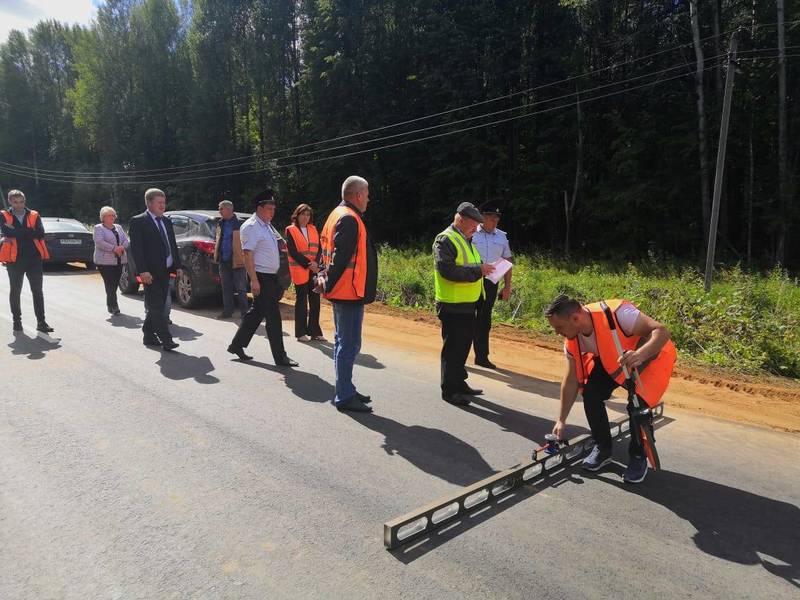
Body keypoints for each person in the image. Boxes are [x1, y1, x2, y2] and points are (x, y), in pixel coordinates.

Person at [544, 294, 676, 483]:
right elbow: (571, 379)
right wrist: (561, 420)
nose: (557, 332)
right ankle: (603, 448)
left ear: (575, 318)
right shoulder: (572, 339)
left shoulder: (619, 314)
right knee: (591, 394)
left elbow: (661, 332)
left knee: (637, 408)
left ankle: (638, 457)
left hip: (648, 358)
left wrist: (639, 355)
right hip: (613, 361)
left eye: (559, 327)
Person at [317, 175, 378, 413]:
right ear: (358, 195)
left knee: (343, 342)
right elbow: (340, 258)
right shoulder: (350, 219)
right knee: (349, 344)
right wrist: (328, 282)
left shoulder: (337, 215)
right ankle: (344, 395)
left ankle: (346, 388)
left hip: (344, 291)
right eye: (367, 194)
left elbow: (326, 253)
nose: (369, 199)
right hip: (348, 292)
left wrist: (324, 279)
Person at [227, 190, 298, 367]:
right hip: (260, 276)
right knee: (273, 318)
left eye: (274, 209)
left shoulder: (266, 225)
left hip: (270, 277)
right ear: (259, 208)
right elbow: (247, 254)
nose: (272, 212)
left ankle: (236, 345)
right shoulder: (251, 226)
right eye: (269, 209)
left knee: (256, 313)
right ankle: (280, 357)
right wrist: (254, 280)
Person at [433, 202, 495, 406]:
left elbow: (469, 266)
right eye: (473, 224)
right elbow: (447, 271)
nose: (476, 229)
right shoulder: (445, 240)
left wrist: (483, 269)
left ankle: (459, 383)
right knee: (453, 350)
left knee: (463, 347)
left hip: (467, 304)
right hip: (452, 305)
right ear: (460, 219)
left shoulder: (465, 239)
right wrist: (479, 271)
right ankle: (450, 391)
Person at [128, 188, 181, 351]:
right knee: (157, 306)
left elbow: (172, 244)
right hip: (149, 272)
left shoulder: (166, 221)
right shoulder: (138, 221)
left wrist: (177, 265)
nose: (162, 206)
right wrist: (143, 271)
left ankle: (148, 334)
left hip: (165, 270)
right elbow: (136, 249)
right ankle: (166, 339)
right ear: (149, 202)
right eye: (159, 203)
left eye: (164, 203)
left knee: (155, 304)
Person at [0, 189, 53, 333]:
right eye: (16, 202)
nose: (19, 205)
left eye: (22, 202)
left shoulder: (34, 214)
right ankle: (17, 322)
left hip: (34, 259)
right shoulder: (3, 215)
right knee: (15, 291)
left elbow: (40, 233)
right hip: (14, 260)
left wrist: (17, 231)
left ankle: (41, 322)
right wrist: (30, 232)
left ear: (25, 201)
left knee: (37, 291)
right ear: (10, 202)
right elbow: (7, 233)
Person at [471, 201, 512, 369]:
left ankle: (482, 357)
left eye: (497, 217)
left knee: (484, 319)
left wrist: (507, 286)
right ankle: (457, 356)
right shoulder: (471, 232)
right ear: (482, 217)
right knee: (465, 318)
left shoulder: (502, 236)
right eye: (491, 217)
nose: (495, 220)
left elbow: (507, 261)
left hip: (491, 282)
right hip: (470, 280)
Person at [285, 203, 324, 342]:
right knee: (301, 301)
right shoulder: (291, 230)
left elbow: (319, 248)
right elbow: (293, 251)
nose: (305, 217)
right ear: (297, 215)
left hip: (313, 270)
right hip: (300, 269)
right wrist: (309, 264)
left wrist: (316, 263)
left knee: (315, 300)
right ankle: (300, 333)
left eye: (308, 215)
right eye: (303, 214)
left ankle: (315, 331)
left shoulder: (313, 229)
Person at [213, 199, 248, 320]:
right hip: (223, 259)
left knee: (241, 288)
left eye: (220, 208)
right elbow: (218, 239)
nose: (219, 211)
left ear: (228, 209)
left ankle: (245, 313)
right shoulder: (220, 222)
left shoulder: (240, 223)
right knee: (226, 287)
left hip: (238, 260)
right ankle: (228, 311)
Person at [93, 205, 129, 315]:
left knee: (114, 283)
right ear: (103, 217)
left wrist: (122, 247)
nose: (112, 217)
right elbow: (99, 242)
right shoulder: (98, 228)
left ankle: (110, 303)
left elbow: (125, 240)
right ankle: (114, 306)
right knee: (110, 283)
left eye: (113, 215)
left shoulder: (118, 227)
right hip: (104, 261)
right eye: (109, 215)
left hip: (119, 260)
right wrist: (114, 248)